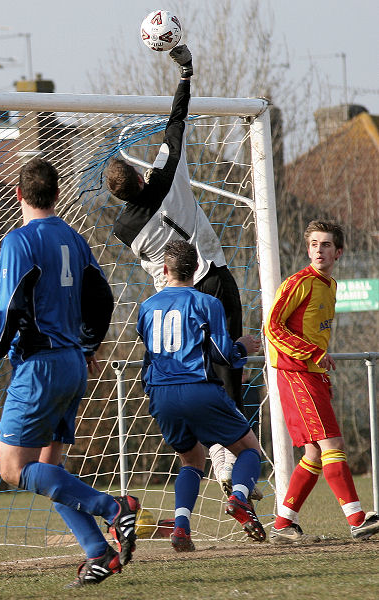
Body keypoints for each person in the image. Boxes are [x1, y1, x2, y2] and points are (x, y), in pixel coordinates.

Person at [0, 157, 139, 588]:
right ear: (58, 194)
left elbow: (8, 304)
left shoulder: (19, 241)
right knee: (52, 467)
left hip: (41, 366)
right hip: (73, 364)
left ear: (19, 195)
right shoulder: (74, 239)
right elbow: (102, 295)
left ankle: (114, 509)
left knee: (12, 469)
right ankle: (98, 552)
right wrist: (89, 344)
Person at [104, 45, 257, 498]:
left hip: (164, 299)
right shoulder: (164, 173)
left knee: (187, 369)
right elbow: (177, 121)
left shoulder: (122, 227)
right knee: (231, 360)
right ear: (138, 172)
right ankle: (230, 451)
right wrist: (185, 73)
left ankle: (208, 458)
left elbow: (138, 202)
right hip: (207, 276)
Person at [137, 240, 264, 550]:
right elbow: (222, 355)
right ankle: (239, 500)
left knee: (192, 458)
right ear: (196, 268)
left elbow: (148, 358)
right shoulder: (207, 302)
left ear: (164, 270)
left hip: (160, 394)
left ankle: (181, 528)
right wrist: (242, 348)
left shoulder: (147, 307)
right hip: (197, 389)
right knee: (250, 450)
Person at [265, 220, 379, 543]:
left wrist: (319, 360)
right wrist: (312, 353)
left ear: (338, 252)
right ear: (308, 249)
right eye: (314, 244)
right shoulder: (298, 283)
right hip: (296, 373)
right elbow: (273, 327)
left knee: (314, 453)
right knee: (334, 444)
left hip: (314, 375)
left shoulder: (330, 286)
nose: (319, 250)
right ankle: (357, 520)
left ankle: (284, 524)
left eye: (326, 244)